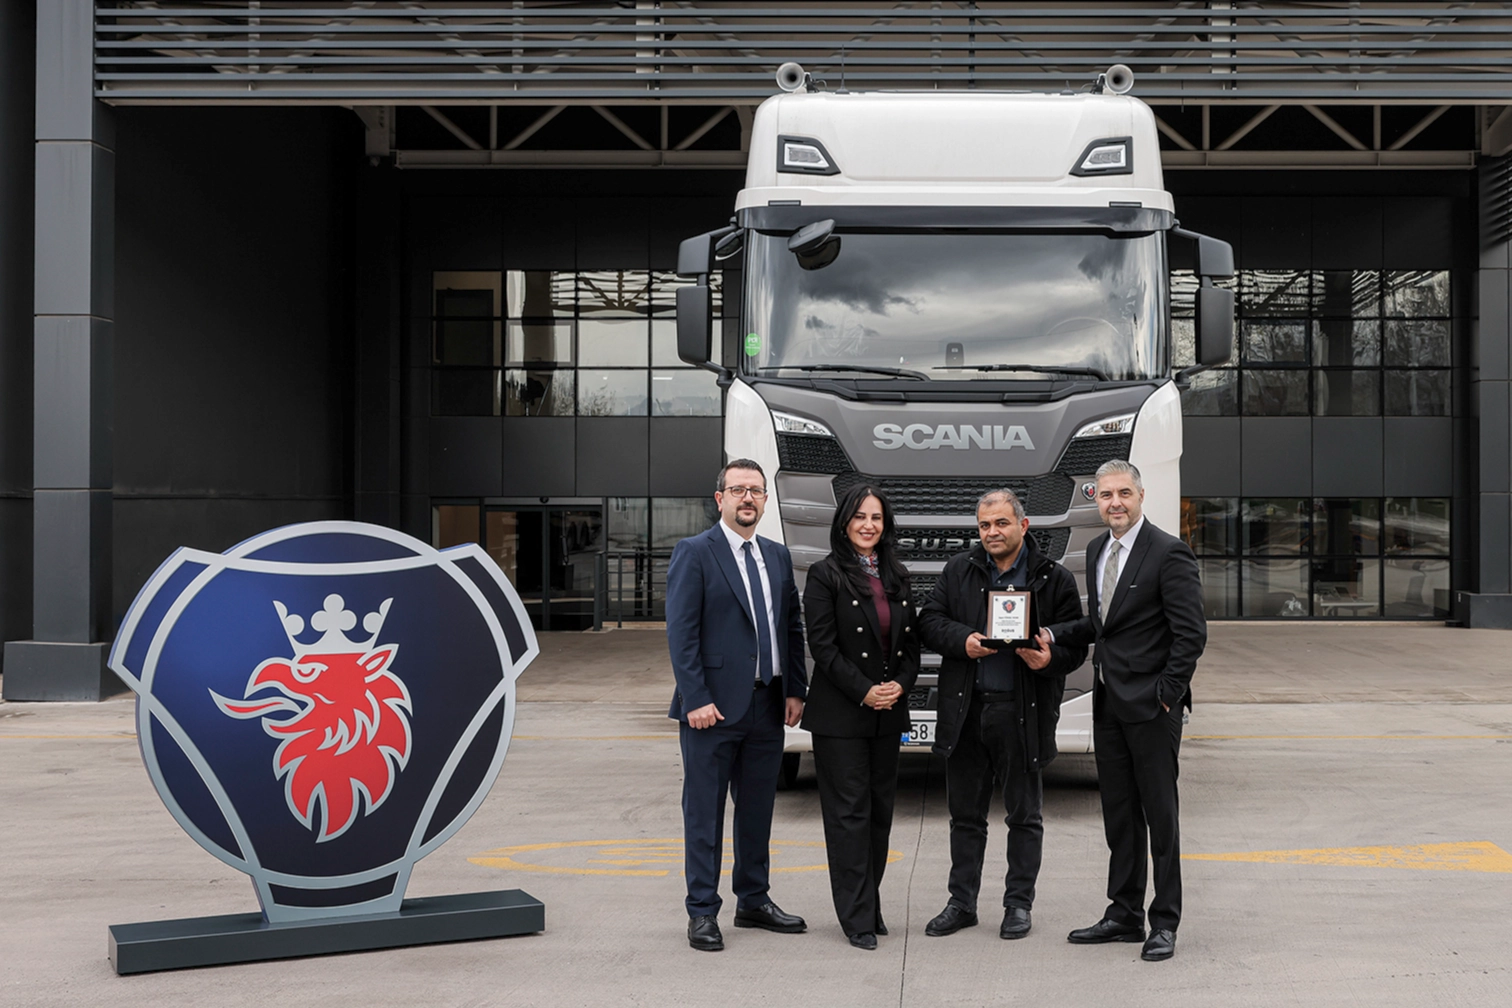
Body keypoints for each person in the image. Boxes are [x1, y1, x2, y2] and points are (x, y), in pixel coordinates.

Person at [1042, 459, 1207, 962]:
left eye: (1124, 493)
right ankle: (1124, 914)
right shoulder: (1098, 550)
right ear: (1097, 499)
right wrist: (1049, 633)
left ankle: (1165, 922)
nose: (1115, 502)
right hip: (1109, 703)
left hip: (1152, 707)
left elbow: (1191, 634)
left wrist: (1167, 693)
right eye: (1106, 494)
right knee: (1119, 816)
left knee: (1160, 817)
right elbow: (1102, 625)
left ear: (1140, 496)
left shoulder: (1169, 552)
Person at [916, 488, 1088, 941]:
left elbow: (1075, 645)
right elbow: (928, 621)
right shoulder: (959, 570)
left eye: (1001, 523)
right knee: (964, 817)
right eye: (984, 525)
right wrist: (963, 640)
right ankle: (961, 903)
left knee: (1024, 815)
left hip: (1022, 712)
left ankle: (1018, 904)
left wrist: (1049, 660)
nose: (992, 532)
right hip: (967, 709)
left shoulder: (1053, 578)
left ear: (1023, 526)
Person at [665, 459, 809, 952]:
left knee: (756, 812)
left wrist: (795, 689)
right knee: (704, 816)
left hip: (767, 706)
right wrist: (696, 698)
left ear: (765, 500)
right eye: (738, 490)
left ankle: (753, 900)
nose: (747, 498)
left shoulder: (777, 556)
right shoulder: (695, 552)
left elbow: (791, 627)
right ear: (719, 498)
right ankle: (702, 911)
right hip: (712, 711)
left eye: (756, 491)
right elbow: (681, 633)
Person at [800, 484, 920, 951]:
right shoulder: (824, 574)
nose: (868, 525)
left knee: (879, 815)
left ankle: (869, 903)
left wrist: (900, 686)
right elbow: (823, 647)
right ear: (844, 521)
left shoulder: (898, 575)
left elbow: (910, 646)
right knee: (849, 816)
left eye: (876, 517)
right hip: (841, 717)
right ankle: (856, 917)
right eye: (860, 516)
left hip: (887, 714)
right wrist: (865, 691)